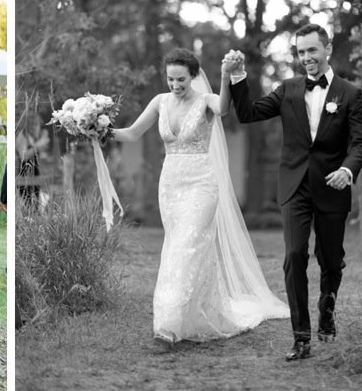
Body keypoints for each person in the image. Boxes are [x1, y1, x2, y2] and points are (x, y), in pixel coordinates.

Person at [112, 48, 289, 345]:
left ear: (193, 76)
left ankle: (169, 325)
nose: (175, 85)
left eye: (181, 79)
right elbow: (131, 133)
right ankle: (196, 312)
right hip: (171, 184)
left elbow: (223, 109)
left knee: (187, 246)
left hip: (201, 184)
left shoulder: (206, 101)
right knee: (175, 248)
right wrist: (100, 130)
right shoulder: (160, 102)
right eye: (170, 79)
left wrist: (224, 75)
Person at [227, 23, 362, 361]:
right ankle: (302, 338)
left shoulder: (349, 94)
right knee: (293, 256)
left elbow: (361, 142)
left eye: (312, 50)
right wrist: (237, 77)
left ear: (327, 49)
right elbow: (248, 113)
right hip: (294, 186)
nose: (306, 57)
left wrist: (347, 170)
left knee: (331, 261)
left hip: (332, 187)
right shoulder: (288, 89)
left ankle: (327, 312)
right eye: (301, 51)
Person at [16, 115, 49, 209]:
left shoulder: (33, 138)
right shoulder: (22, 136)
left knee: (37, 205)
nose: (36, 128)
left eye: (37, 125)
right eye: (33, 125)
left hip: (34, 176)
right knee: (29, 205)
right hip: (25, 177)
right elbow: (23, 156)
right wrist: (38, 146)